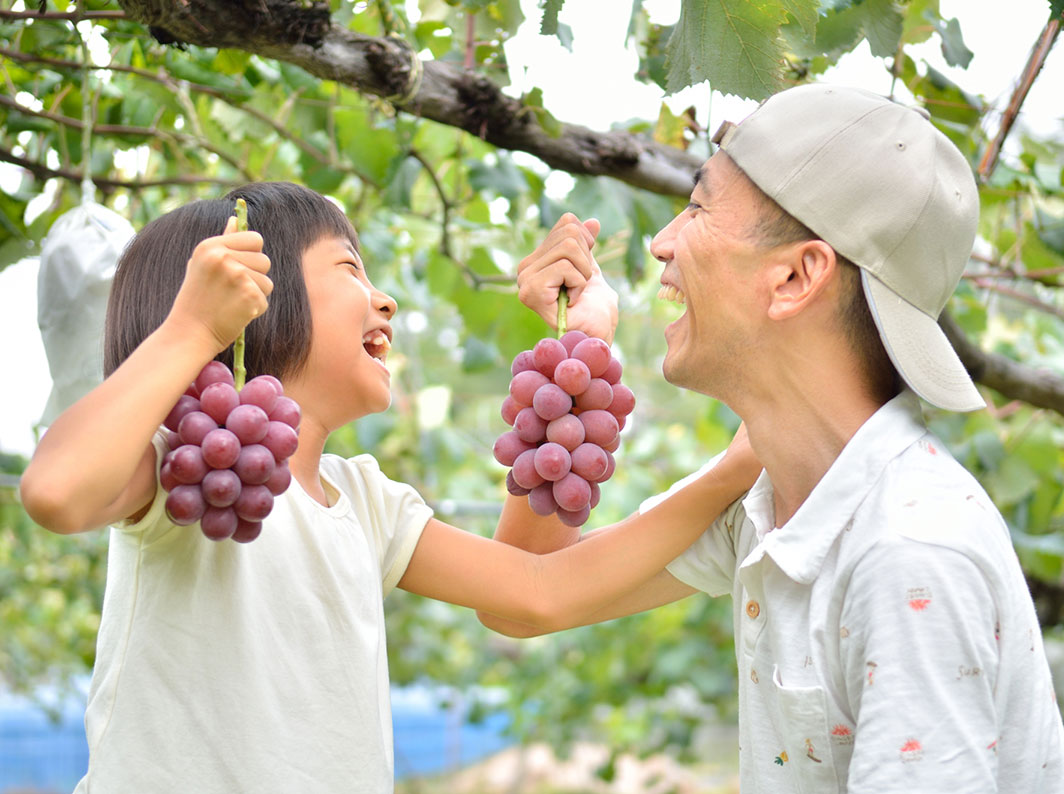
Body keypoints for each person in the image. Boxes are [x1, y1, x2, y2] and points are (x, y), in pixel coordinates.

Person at [18, 181, 759, 793]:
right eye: (349, 270)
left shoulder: (365, 502)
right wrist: (190, 332)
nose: (385, 301)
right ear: (250, 296)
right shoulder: (185, 468)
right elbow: (57, 492)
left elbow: (537, 591)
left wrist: (584, 344)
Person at [487, 84, 1064, 792]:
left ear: (796, 276)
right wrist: (579, 359)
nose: (661, 241)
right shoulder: (769, 502)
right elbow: (524, 596)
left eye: (698, 207)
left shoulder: (907, 551)